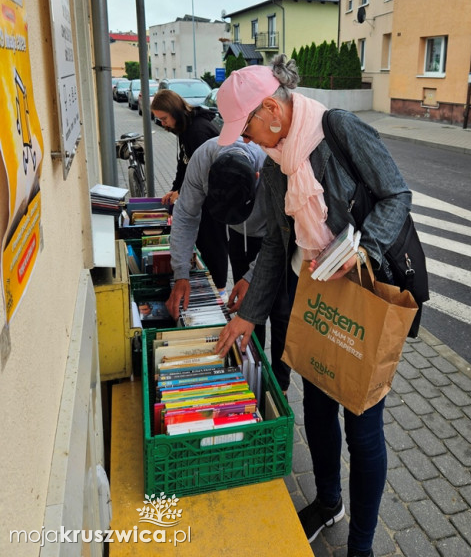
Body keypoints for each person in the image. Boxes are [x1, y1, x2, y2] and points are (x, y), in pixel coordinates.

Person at [214, 55, 412, 557]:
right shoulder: (280, 161)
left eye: (247, 127)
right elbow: (280, 246)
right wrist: (247, 316)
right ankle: (328, 502)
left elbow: (396, 195)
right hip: (315, 295)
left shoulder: (336, 128)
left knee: (362, 426)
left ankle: (361, 546)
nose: (247, 139)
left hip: (363, 293)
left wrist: (364, 250)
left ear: (271, 111)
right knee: (318, 409)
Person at [167, 137, 291, 392]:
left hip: (275, 237)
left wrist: (252, 278)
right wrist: (181, 273)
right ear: (209, 176)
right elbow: (185, 215)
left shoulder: (273, 164)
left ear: (257, 177)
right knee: (246, 309)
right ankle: (252, 368)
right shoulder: (203, 159)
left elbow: (281, 234)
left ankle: (280, 385)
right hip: (237, 238)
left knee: (280, 311)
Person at [151, 89, 229, 295]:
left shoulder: (198, 131)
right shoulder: (185, 129)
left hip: (212, 198)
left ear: (175, 111)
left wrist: (183, 192)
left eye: (164, 118)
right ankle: (212, 282)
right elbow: (184, 162)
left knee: (213, 241)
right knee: (203, 239)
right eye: (159, 119)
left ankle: (220, 289)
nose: (162, 124)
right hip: (200, 195)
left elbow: (201, 171)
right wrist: (176, 188)